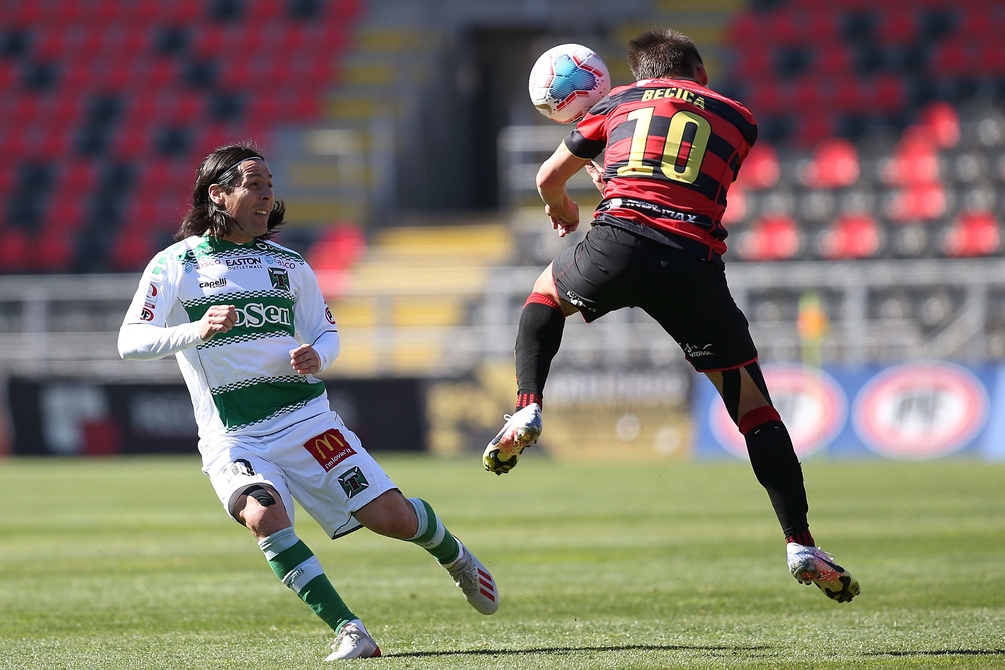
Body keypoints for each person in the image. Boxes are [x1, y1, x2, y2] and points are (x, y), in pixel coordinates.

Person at [482, 29, 859, 603]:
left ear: (640, 76)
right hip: (692, 263)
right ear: (700, 71)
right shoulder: (740, 119)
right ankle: (800, 542)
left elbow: (548, 179)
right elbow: (682, 170)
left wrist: (564, 208)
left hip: (620, 241)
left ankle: (528, 407)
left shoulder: (616, 104)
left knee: (542, 299)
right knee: (755, 410)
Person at [118, 143, 499, 661]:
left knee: (389, 517)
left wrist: (317, 356)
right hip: (236, 436)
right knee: (261, 514)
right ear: (217, 194)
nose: (266, 195)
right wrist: (195, 328)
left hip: (307, 422)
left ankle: (453, 555)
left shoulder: (289, 264)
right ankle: (350, 629)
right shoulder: (175, 265)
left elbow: (327, 333)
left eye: (270, 185)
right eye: (254, 184)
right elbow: (130, 342)